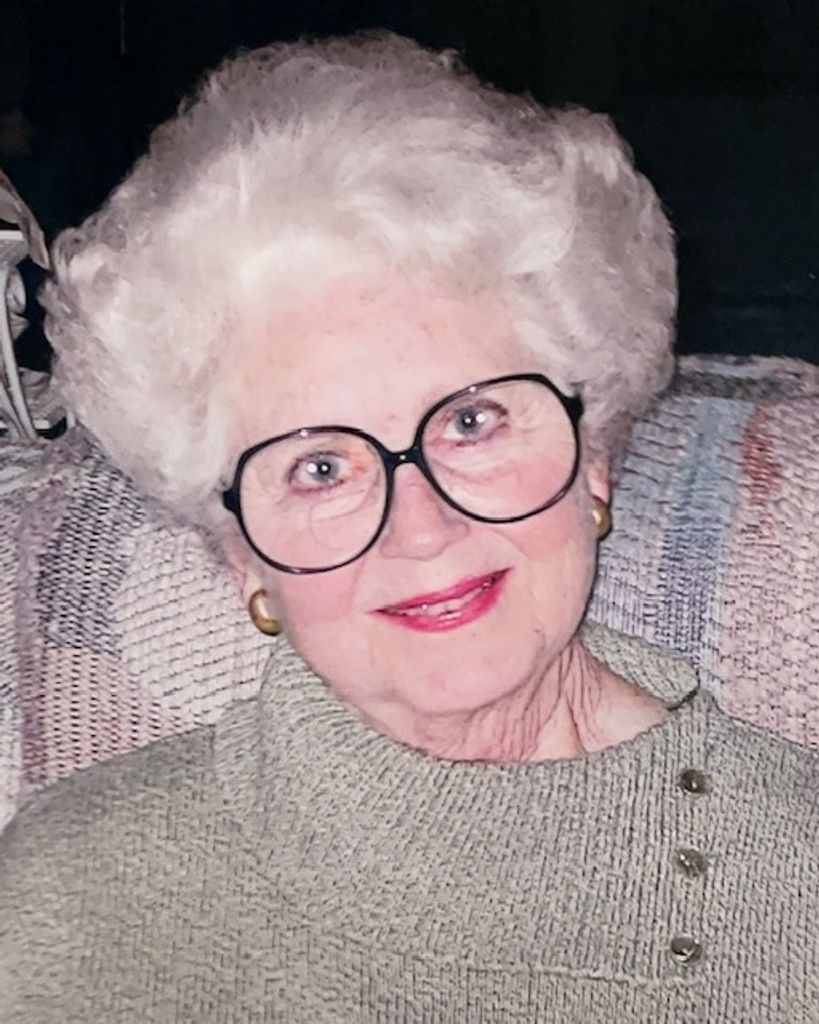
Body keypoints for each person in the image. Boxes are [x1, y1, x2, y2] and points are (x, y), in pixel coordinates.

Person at [1, 31, 816, 1024]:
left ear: (592, 455)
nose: (420, 527)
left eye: (471, 422)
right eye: (319, 468)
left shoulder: (798, 879)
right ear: (242, 557)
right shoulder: (69, 895)